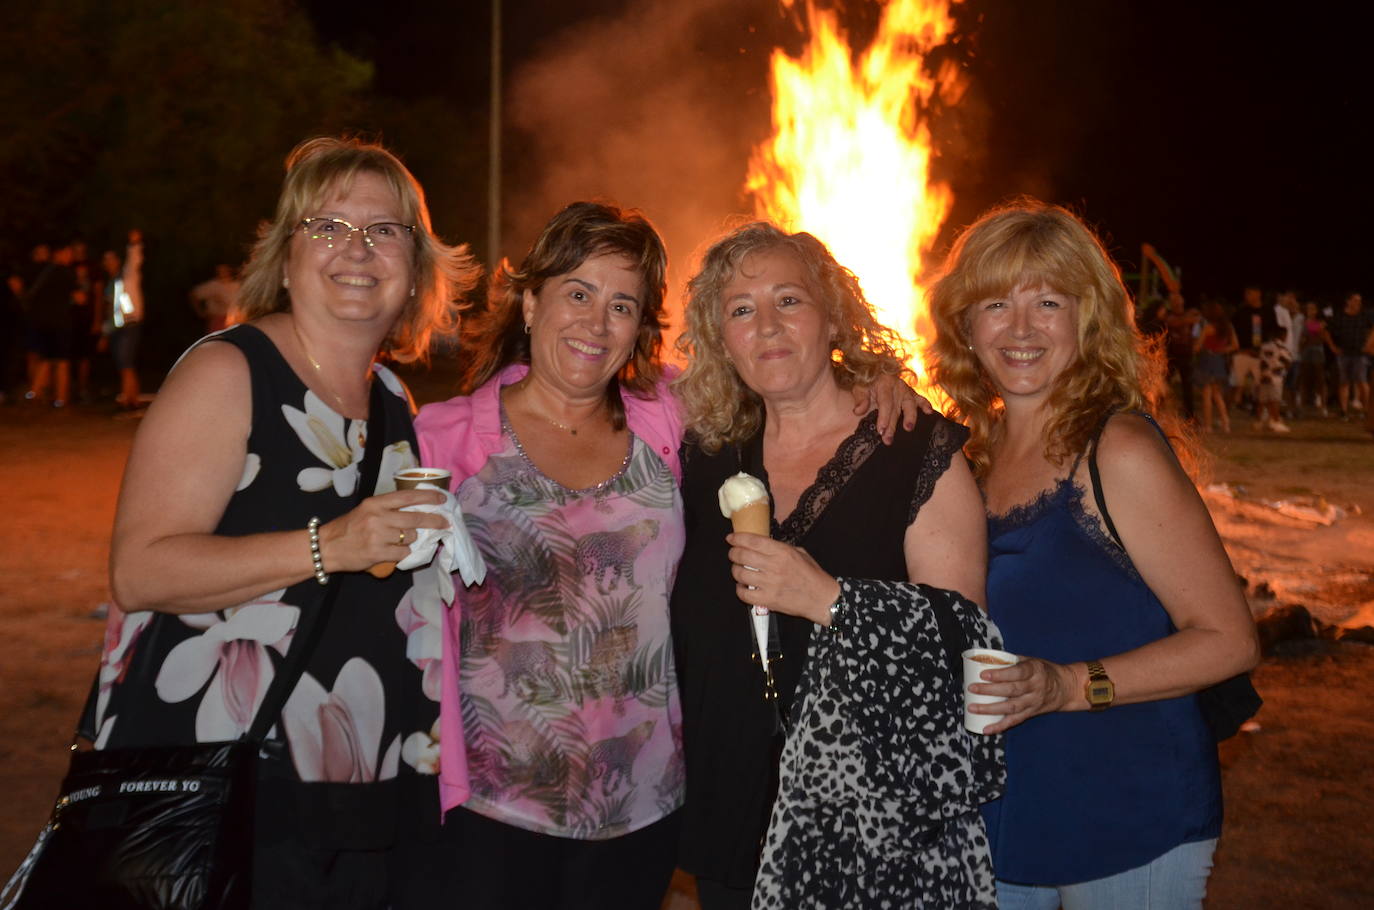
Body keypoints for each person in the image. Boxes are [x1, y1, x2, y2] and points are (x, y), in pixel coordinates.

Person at [415, 204, 917, 909]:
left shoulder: (669, 416)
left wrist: (875, 377)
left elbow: (785, 372)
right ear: (531, 303)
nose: (597, 323)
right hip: (494, 809)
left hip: (644, 808)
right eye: (578, 294)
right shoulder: (443, 438)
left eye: (621, 305)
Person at [76, 135, 480, 909]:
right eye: (326, 227)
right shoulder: (228, 372)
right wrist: (332, 545)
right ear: (285, 254)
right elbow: (141, 569)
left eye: (384, 230)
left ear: (416, 265)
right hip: (227, 781)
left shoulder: (393, 398)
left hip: (355, 780)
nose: (356, 250)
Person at [927, 200, 1259, 909]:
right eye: (995, 304)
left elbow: (1229, 640)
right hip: (1002, 816)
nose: (1020, 329)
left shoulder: (1118, 450)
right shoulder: (969, 454)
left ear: (1089, 316)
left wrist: (1068, 686)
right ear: (965, 325)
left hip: (1127, 814)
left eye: (1048, 301)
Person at [671, 222, 1000, 909]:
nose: (766, 325)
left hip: (868, 824)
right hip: (733, 812)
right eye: (740, 310)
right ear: (720, 340)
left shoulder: (909, 446)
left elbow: (963, 646)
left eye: (788, 300)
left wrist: (830, 600)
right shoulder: (704, 457)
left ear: (833, 317)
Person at [100, 231, 146, 411]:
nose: (108, 262)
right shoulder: (110, 283)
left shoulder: (127, 276)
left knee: (125, 362)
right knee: (124, 363)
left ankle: (128, 400)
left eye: (111, 259)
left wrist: (134, 243)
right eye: (105, 260)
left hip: (130, 324)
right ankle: (131, 399)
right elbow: (110, 310)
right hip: (117, 326)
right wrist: (105, 332)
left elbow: (134, 260)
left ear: (117, 260)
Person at [1228, 285, 1276, 413]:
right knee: (1236, 382)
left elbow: (1273, 331)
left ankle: (1259, 410)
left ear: (1258, 293)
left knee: (1261, 383)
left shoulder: (1268, 311)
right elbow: (1232, 330)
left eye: (1249, 293)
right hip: (1243, 352)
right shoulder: (1241, 312)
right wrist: (1237, 349)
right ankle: (1229, 409)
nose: (1246, 296)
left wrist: (1267, 350)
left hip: (1262, 353)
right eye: (1246, 293)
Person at [1328, 291, 1372, 420]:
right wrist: (1333, 347)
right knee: (1344, 382)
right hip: (1344, 353)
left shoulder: (1364, 316)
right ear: (1348, 301)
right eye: (1355, 300)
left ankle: (1367, 410)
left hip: (1360, 354)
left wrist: (1369, 344)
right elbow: (1327, 331)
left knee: (1362, 382)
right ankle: (1343, 411)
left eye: (1359, 301)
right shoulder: (1340, 316)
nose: (1358, 303)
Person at [1195, 301, 1236, 433]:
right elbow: (1235, 345)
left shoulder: (1208, 328)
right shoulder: (1227, 327)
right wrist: (1221, 350)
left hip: (1207, 360)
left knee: (1206, 395)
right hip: (1219, 361)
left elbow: (1197, 346)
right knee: (1217, 395)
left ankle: (1208, 425)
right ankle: (1226, 423)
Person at [1297, 300, 1333, 416]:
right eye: (1308, 309)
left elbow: (1323, 337)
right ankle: (1303, 405)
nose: (1310, 311)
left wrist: (1318, 329)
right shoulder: (1302, 321)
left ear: (1316, 310)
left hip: (1317, 351)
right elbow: (1303, 338)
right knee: (1305, 379)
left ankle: (1323, 406)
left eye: (1313, 309)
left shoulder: (1321, 322)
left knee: (1320, 379)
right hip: (1306, 352)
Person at [190, 263, 244, 333]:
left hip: (235, 321)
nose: (222, 273)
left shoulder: (236, 285)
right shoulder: (213, 285)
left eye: (224, 270)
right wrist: (200, 312)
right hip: (218, 320)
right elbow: (193, 295)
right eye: (220, 271)